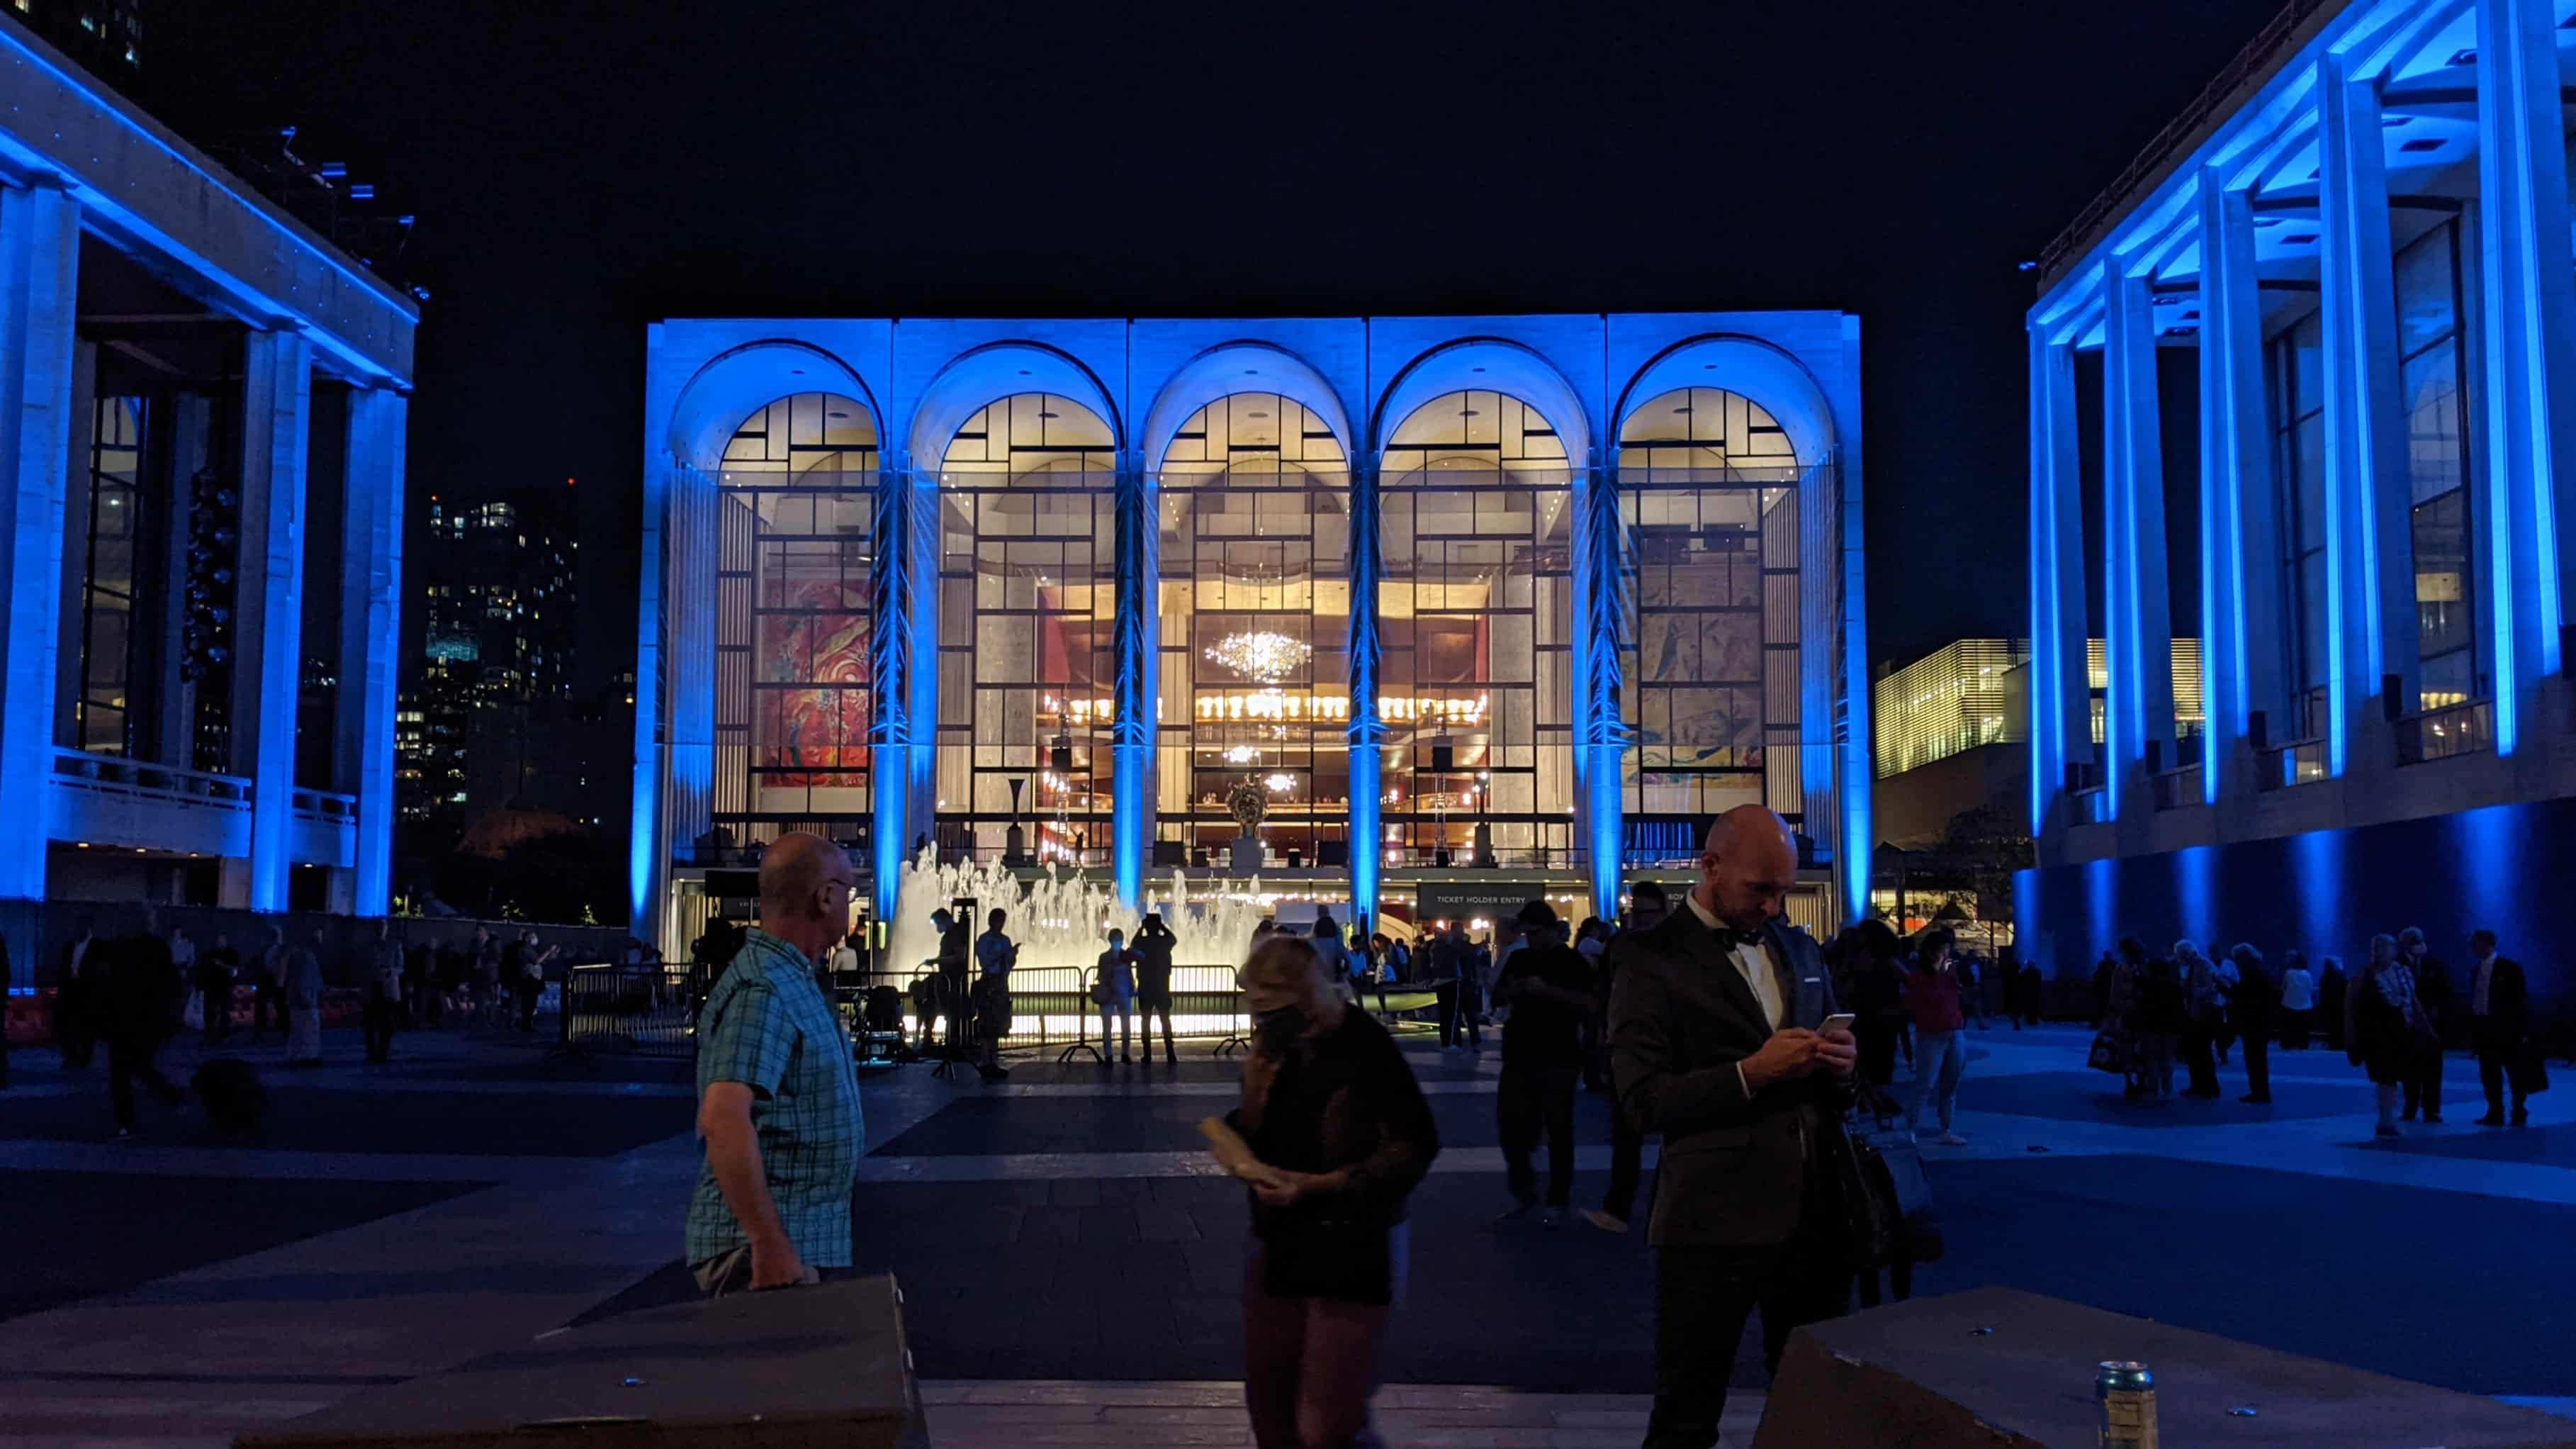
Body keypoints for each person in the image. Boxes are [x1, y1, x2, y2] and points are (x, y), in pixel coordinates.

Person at [1608, 805, 1859, 1447]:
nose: (1773, 907)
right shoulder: (1648, 958)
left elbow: (1839, 1089)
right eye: (1760, 890)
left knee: (1814, 1404)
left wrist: (1842, 1067)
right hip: (1709, 1218)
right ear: (1710, 865)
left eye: (1783, 891)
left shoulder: (1798, 947)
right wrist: (1749, 1074)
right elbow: (1641, 1101)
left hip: (1815, 1210)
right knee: (1687, 1410)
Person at [1228, 934, 1439, 1448]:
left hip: (1353, 1242)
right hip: (1280, 1240)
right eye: (1253, 999)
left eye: (1271, 998)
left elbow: (1414, 1142)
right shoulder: (1274, 1047)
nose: (1259, 1013)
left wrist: (1323, 1185)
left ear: (1305, 992)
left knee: (1326, 1423)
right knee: (1270, 1408)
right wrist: (1247, 1113)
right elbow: (1262, 1136)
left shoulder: (1360, 1043)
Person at [687, 833, 863, 1296]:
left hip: (791, 1237)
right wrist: (767, 1241)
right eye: (849, 891)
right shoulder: (765, 989)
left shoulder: (791, 979)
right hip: (760, 1252)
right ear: (825, 897)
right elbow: (723, 1118)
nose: (850, 904)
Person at [1492, 900, 1594, 1227]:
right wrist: (1516, 990)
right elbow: (1497, 995)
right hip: (1520, 1053)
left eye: (1535, 933)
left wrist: (1547, 992)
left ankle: (1557, 1199)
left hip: (1557, 1055)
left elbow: (1589, 1003)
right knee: (1512, 1128)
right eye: (1527, 933)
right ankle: (1524, 1193)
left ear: (1551, 930)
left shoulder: (1571, 962)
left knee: (1558, 1129)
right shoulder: (1520, 958)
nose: (1531, 939)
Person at [1584, 880, 1672, 1235]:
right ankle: (1621, 1206)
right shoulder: (1623, 946)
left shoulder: (1661, 947)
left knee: (1643, 1132)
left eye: (1645, 914)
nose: (1640, 920)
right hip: (1630, 1044)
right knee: (1626, 1130)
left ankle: (1636, 1207)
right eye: (1636, 914)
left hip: (1660, 1044)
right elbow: (1604, 992)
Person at [102, 910, 186, 1138]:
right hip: (145, 1018)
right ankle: (167, 1098)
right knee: (137, 1066)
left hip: (125, 1017)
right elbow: (170, 986)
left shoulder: (119, 948)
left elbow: (109, 983)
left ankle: (126, 1122)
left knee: (124, 1070)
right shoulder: (156, 949)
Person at [2350, 934, 2425, 1138]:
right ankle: (2386, 1119)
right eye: (2376, 948)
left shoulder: (2403, 973)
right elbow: (2354, 1007)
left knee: (2394, 1079)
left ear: (2393, 950)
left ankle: (2388, 1117)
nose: (2379, 952)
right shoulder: (2365, 976)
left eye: (2384, 947)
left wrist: (2424, 1027)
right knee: (2385, 1078)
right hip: (2377, 1036)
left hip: (2401, 1033)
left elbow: (2413, 1001)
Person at [1901, 927, 1969, 1145]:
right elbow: (1924, 1000)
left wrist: (1953, 977)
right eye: (1942, 950)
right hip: (1931, 1034)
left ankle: (1946, 1129)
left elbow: (1960, 994)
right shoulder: (1919, 977)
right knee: (1925, 1083)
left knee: (1951, 1083)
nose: (1946, 954)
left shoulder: (1951, 973)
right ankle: (1911, 1128)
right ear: (1931, 952)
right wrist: (1940, 974)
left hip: (1955, 1031)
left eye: (1948, 949)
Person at [2468, 929, 2536, 1126]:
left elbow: (2521, 1000)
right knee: (2489, 1072)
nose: (2473, 948)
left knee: (2514, 1072)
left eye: (2475, 944)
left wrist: (2523, 1030)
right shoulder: (2476, 970)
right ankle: (2495, 1112)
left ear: (2487, 945)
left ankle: (2518, 1110)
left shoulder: (2510, 968)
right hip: (2484, 1026)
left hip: (2507, 1028)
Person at [2396, 927, 2448, 1122]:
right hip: (2408, 1024)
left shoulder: (2434, 964)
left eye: (2419, 939)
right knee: (2409, 1068)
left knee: (2433, 1068)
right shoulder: (2396, 965)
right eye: (2412, 939)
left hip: (2432, 1025)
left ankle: (2432, 1109)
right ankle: (2411, 1106)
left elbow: (2445, 990)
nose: (2417, 942)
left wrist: (2437, 1009)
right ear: (2404, 943)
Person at [2225, 943, 2276, 1104]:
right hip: (2261, 1022)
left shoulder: (2250, 973)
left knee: (2254, 1059)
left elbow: (2242, 996)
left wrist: (2223, 985)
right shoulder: (2260, 970)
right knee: (2258, 1059)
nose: (2236, 963)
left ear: (2243, 958)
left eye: (2237, 959)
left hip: (2254, 1023)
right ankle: (2261, 1092)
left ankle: (2259, 1093)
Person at [2134, 949, 2185, 1100]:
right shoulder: (2175, 988)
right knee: (2168, 1059)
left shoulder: (2147, 986)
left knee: (2152, 1059)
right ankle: (2167, 1088)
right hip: (2171, 1028)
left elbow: (2142, 1005)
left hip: (2151, 1027)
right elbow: (2180, 1009)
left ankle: (2154, 1089)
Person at [2175, 940, 2222, 1099]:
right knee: (2196, 1052)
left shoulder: (2201, 965)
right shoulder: (2197, 965)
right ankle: (2199, 1085)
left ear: (2186, 953)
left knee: (2202, 1052)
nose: (2178, 959)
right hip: (2196, 1014)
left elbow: (2210, 988)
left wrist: (2190, 991)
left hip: (2202, 1015)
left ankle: (2208, 1086)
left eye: (2179, 955)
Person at [54, 917, 102, 1068]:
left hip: (87, 990)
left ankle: (83, 1057)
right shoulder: (70, 945)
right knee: (69, 1025)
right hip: (71, 989)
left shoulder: (97, 946)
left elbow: (100, 971)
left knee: (86, 1026)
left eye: (82, 926)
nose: (79, 929)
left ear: (89, 927)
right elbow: (63, 967)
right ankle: (71, 1056)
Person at [1132, 913, 1179, 1065]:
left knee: (1145, 1021)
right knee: (1165, 1021)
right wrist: (1162, 927)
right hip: (1162, 988)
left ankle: (1147, 1055)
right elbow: (1174, 939)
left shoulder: (1142, 942)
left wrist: (1141, 928)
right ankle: (1170, 1054)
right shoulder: (1164, 941)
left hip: (1146, 988)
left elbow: (1133, 944)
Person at [2104, 938, 2147, 1097]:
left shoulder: (2120, 969)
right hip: (2142, 1012)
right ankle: (2141, 1081)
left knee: (2125, 1048)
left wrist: (2111, 1013)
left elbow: (2114, 993)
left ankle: (2129, 1083)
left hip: (2125, 1012)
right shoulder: (2145, 968)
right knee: (2142, 1047)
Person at [1431, 921, 1481, 1051]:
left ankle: (1465, 1041)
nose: (1461, 933)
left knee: (1464, 1013)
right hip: (1457, 982)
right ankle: (1460, 1041)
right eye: (1459, 931)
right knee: (1458, 1014)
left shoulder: (1449, 946)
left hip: (1461, 982)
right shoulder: (1452, 946)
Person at [283, 927, 326, 1067]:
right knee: (309, 1029)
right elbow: (305, 979)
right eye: (319, 937)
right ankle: (308, 1056)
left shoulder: (301, 955)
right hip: (306, 1000)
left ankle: (295, 1055)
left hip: (300, 999)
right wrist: (307, 997)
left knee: (298, 1029)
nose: (320, 940)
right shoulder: (306, 957)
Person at [363, 920, 404, 1064]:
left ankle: (382, 1052)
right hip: (372, 987)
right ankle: (372, 1053)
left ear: (386, 929)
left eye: (382, 927)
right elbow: (362, 965)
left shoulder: (395, 945)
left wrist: (389, 972)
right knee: (370, 1023)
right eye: (378, 927)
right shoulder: (368, 946)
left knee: (386, 1023)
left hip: (387, 987)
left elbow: (401, 966)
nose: (380, 930)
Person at [1096, 925, 1137, 1065]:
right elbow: (1101, 975)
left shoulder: (1124, 956)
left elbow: (1130, 973)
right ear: (1110, 941)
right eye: (1115, 940)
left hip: (1122, 994)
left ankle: (1125, 1054)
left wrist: (1131, 987)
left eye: (1118, 940)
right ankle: (1109, 1055)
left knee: (1125, 1025)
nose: (1117, 942)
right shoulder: (1104, 957)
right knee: (1108, 1026)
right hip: (1109, 994)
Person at [196, 931, 239, 1044]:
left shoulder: (232, 954)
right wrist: (200, 986)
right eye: (219, 940)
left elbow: (234, 972)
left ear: (226, 941)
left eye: (222, 940)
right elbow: (202, 970)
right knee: (209, 1012)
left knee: (225, 1011)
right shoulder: (209, 954)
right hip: (211, 987)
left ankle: (224, 1035)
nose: (220, 942)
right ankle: (210, 1035)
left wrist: (222, 965)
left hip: (225, 986)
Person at [2278, 949, 2317, 1050]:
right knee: (2303, 1027)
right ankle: (2302, 1044)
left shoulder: (2289, 973)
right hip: (2305, 1005)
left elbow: (2283, 988)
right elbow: (2311, 989)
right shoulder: (2307, 974)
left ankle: (2287, 1043)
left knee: (2288, 1026)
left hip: (2288, 1004)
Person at [2318, 953, 2350, 1054]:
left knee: (2331, 1025)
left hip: (2329, 1004)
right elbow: (2346, 989)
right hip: (2340, 1004)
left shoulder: (2325, 976)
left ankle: (2333, 1043)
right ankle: (2340, 1044)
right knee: (2339, 1024)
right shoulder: (2341, 976)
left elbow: (2323, 991)